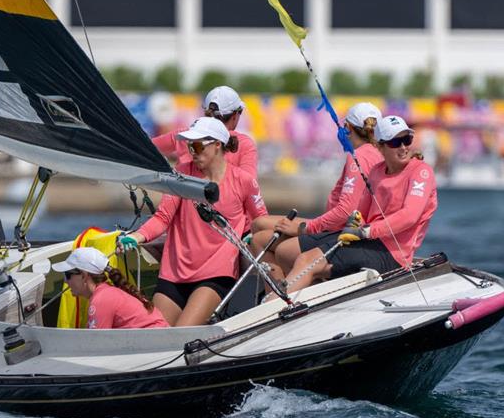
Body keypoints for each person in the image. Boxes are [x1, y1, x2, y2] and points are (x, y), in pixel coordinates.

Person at [118, 117, 268, 326]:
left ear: (217, 145)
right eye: (189, 146)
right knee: (152, 335)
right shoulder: (182, 174)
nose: (192, 152)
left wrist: (250, 236)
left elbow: (261, 220)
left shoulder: (243, 180)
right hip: (174, 272)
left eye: (197, 146)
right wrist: (136, 236)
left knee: (180, 334)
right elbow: (163, 217)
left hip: (215, 275)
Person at [275, 115, 437, 294]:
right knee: (285, 251)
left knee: (307, 261)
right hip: (367, 240)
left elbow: (409, 216)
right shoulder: (376, 171)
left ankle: (277, 307)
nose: (404, 147)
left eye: (407, 140)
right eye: (395, 142)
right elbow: (361, 212)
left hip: (392, 254)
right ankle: (305, 297)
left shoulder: (421, 171)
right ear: (380, 146)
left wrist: (365, 231)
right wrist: (354, 222)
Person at [251, 102, 383, 280]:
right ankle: (283, 285)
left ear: (348, 128)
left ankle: (277, 295)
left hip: (341, 229)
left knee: (259, 240)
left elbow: (346, 211)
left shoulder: (358, 157)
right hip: (340, 226)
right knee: (260, 223)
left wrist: (304, 228)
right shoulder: (377, 153)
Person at [152, 85, 258, 179]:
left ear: (206, 112)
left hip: (184, 199)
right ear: (235, 115)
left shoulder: (184, 135)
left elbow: (145, 147)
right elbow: (249, 186)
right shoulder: (245, 143)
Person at [51, 247, 168, 329]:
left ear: (83, 275)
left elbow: (95, 346)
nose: (66, 281)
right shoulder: (106, 293)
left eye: (68, 275)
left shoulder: (101, 299)